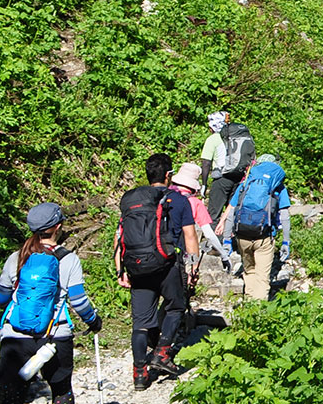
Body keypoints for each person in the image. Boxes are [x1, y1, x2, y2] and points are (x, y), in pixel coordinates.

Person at [0, 202, 102, 404]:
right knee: (61, 388)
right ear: (58, 227)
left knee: (12, 396)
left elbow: (0, 298)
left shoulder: (17, 257)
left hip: (15, 337)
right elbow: (78, 301)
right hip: (56, 336)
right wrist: (94, 321)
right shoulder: (68, 259)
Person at [117, 153, 199, 390]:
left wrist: (121, 270)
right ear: (168, 175)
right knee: (175, 306)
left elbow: (120, 236)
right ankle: (162, 352)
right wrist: (192, 266)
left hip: (137, 266)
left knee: (140, 323)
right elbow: (190, 235)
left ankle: (139, 374)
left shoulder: (133, 200)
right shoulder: (178, 200)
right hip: (166, 265)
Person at [218, 153, 292, 301]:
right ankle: (259, 311)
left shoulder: (246, 184)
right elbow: (285, 216)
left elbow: (232, 212)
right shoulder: (278, 187)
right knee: (262, 276)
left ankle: (249, 307)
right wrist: (286, 242)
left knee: (249, 271)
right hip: (264, 237)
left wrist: (226, 239)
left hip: (242, 235)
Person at [170, 162, 236, 274]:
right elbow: (209, 234)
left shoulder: (164, 196)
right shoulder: (195, 203)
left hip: (159, 250)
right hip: (181, 254)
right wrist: (224, 256)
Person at [199, 110, 253, 223]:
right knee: (231, 214)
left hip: (221, 179)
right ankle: (230, 239)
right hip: (238, 178)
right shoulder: (235, 137)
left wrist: (204, 184)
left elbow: (206, 163)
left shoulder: (213, 139)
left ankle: (215, 240)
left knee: (214, 215)